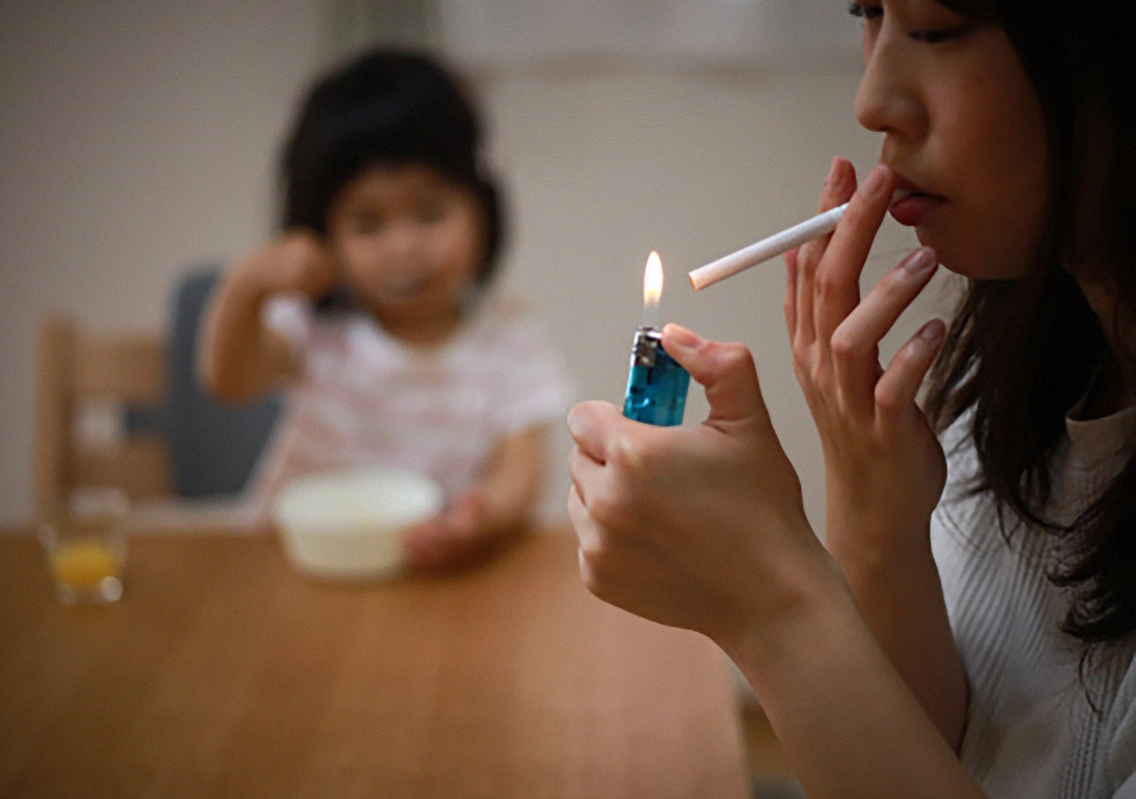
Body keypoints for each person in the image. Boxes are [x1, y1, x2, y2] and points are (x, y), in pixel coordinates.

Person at [566, 1, 1136, 796]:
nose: (871, 100)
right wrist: (874, 517)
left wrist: (774, 604)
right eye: (869, 13)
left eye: (937, 29)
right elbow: (929, 744)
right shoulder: (1019, 394)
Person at [202, 50, 573, 571]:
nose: (403, 247)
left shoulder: (508, 341)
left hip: (432, 577)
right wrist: (244, 286)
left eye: (429, 212)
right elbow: (228, 379)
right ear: (321, 234)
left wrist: (483, 513)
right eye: (368, 224)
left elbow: (521, 470)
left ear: (482, 209)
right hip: (305, 570)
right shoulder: (316, 330)